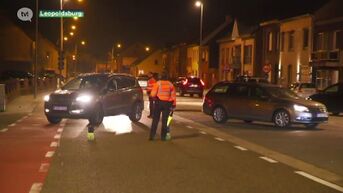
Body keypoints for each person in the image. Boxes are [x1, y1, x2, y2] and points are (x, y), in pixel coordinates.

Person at [149, 73, 176, 141]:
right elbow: (173, 96)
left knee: (155, 120)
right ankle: (163, 137)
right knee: (165, 121)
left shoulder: (158, 83)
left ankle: (152, 136)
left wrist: (153, 97)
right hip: (167, 104)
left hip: (158, 103)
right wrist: (174, 105)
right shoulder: (170, 84)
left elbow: (153, 94)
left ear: (160, 77)